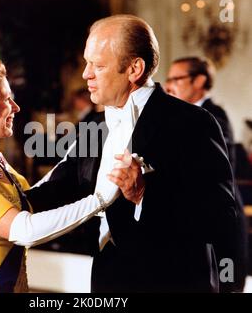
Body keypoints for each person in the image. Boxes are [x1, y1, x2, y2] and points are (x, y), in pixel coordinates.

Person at [26, 15, 237, 292]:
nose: (85, 74)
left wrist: (143, 195)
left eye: (98, 66)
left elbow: (219, 218)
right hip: (107, 277)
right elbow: (61, 186)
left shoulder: (193, 122)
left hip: (173, 281)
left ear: (134, 69)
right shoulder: (94, 124)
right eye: (87, 62)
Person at [0, 45, 125, 293]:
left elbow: (33, 198)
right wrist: (100, 200)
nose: (16, 107)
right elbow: (26, 230)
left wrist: (77, 154)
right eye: (7, 99)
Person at [166, 56, 248, 292]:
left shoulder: (214, 116)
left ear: (199, 80)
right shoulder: (183, 115)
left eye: (177, 79)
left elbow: (206, 174)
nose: (170, 86)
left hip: (219, 221)